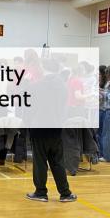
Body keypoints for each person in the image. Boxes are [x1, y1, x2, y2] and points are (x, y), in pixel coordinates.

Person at [25, 59, 77, 203]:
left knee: (40, 161)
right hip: (56, 128)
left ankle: (41, 192)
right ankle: (65, 193)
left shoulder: (36, 85)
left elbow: (29, 107)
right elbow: (65, 107)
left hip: (39, 128)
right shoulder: (63, 86)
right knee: (58, 161)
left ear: (43, 68)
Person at [97, 65, 107, 159]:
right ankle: (99, 152)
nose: (98, 75)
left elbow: (108, 95)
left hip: (103, 110)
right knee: (98, 133)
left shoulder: (107, 83)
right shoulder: (98, 82)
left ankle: (102, 153)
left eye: (99, 73)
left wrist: (100, 91)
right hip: (98, 109)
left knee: (101, 133)